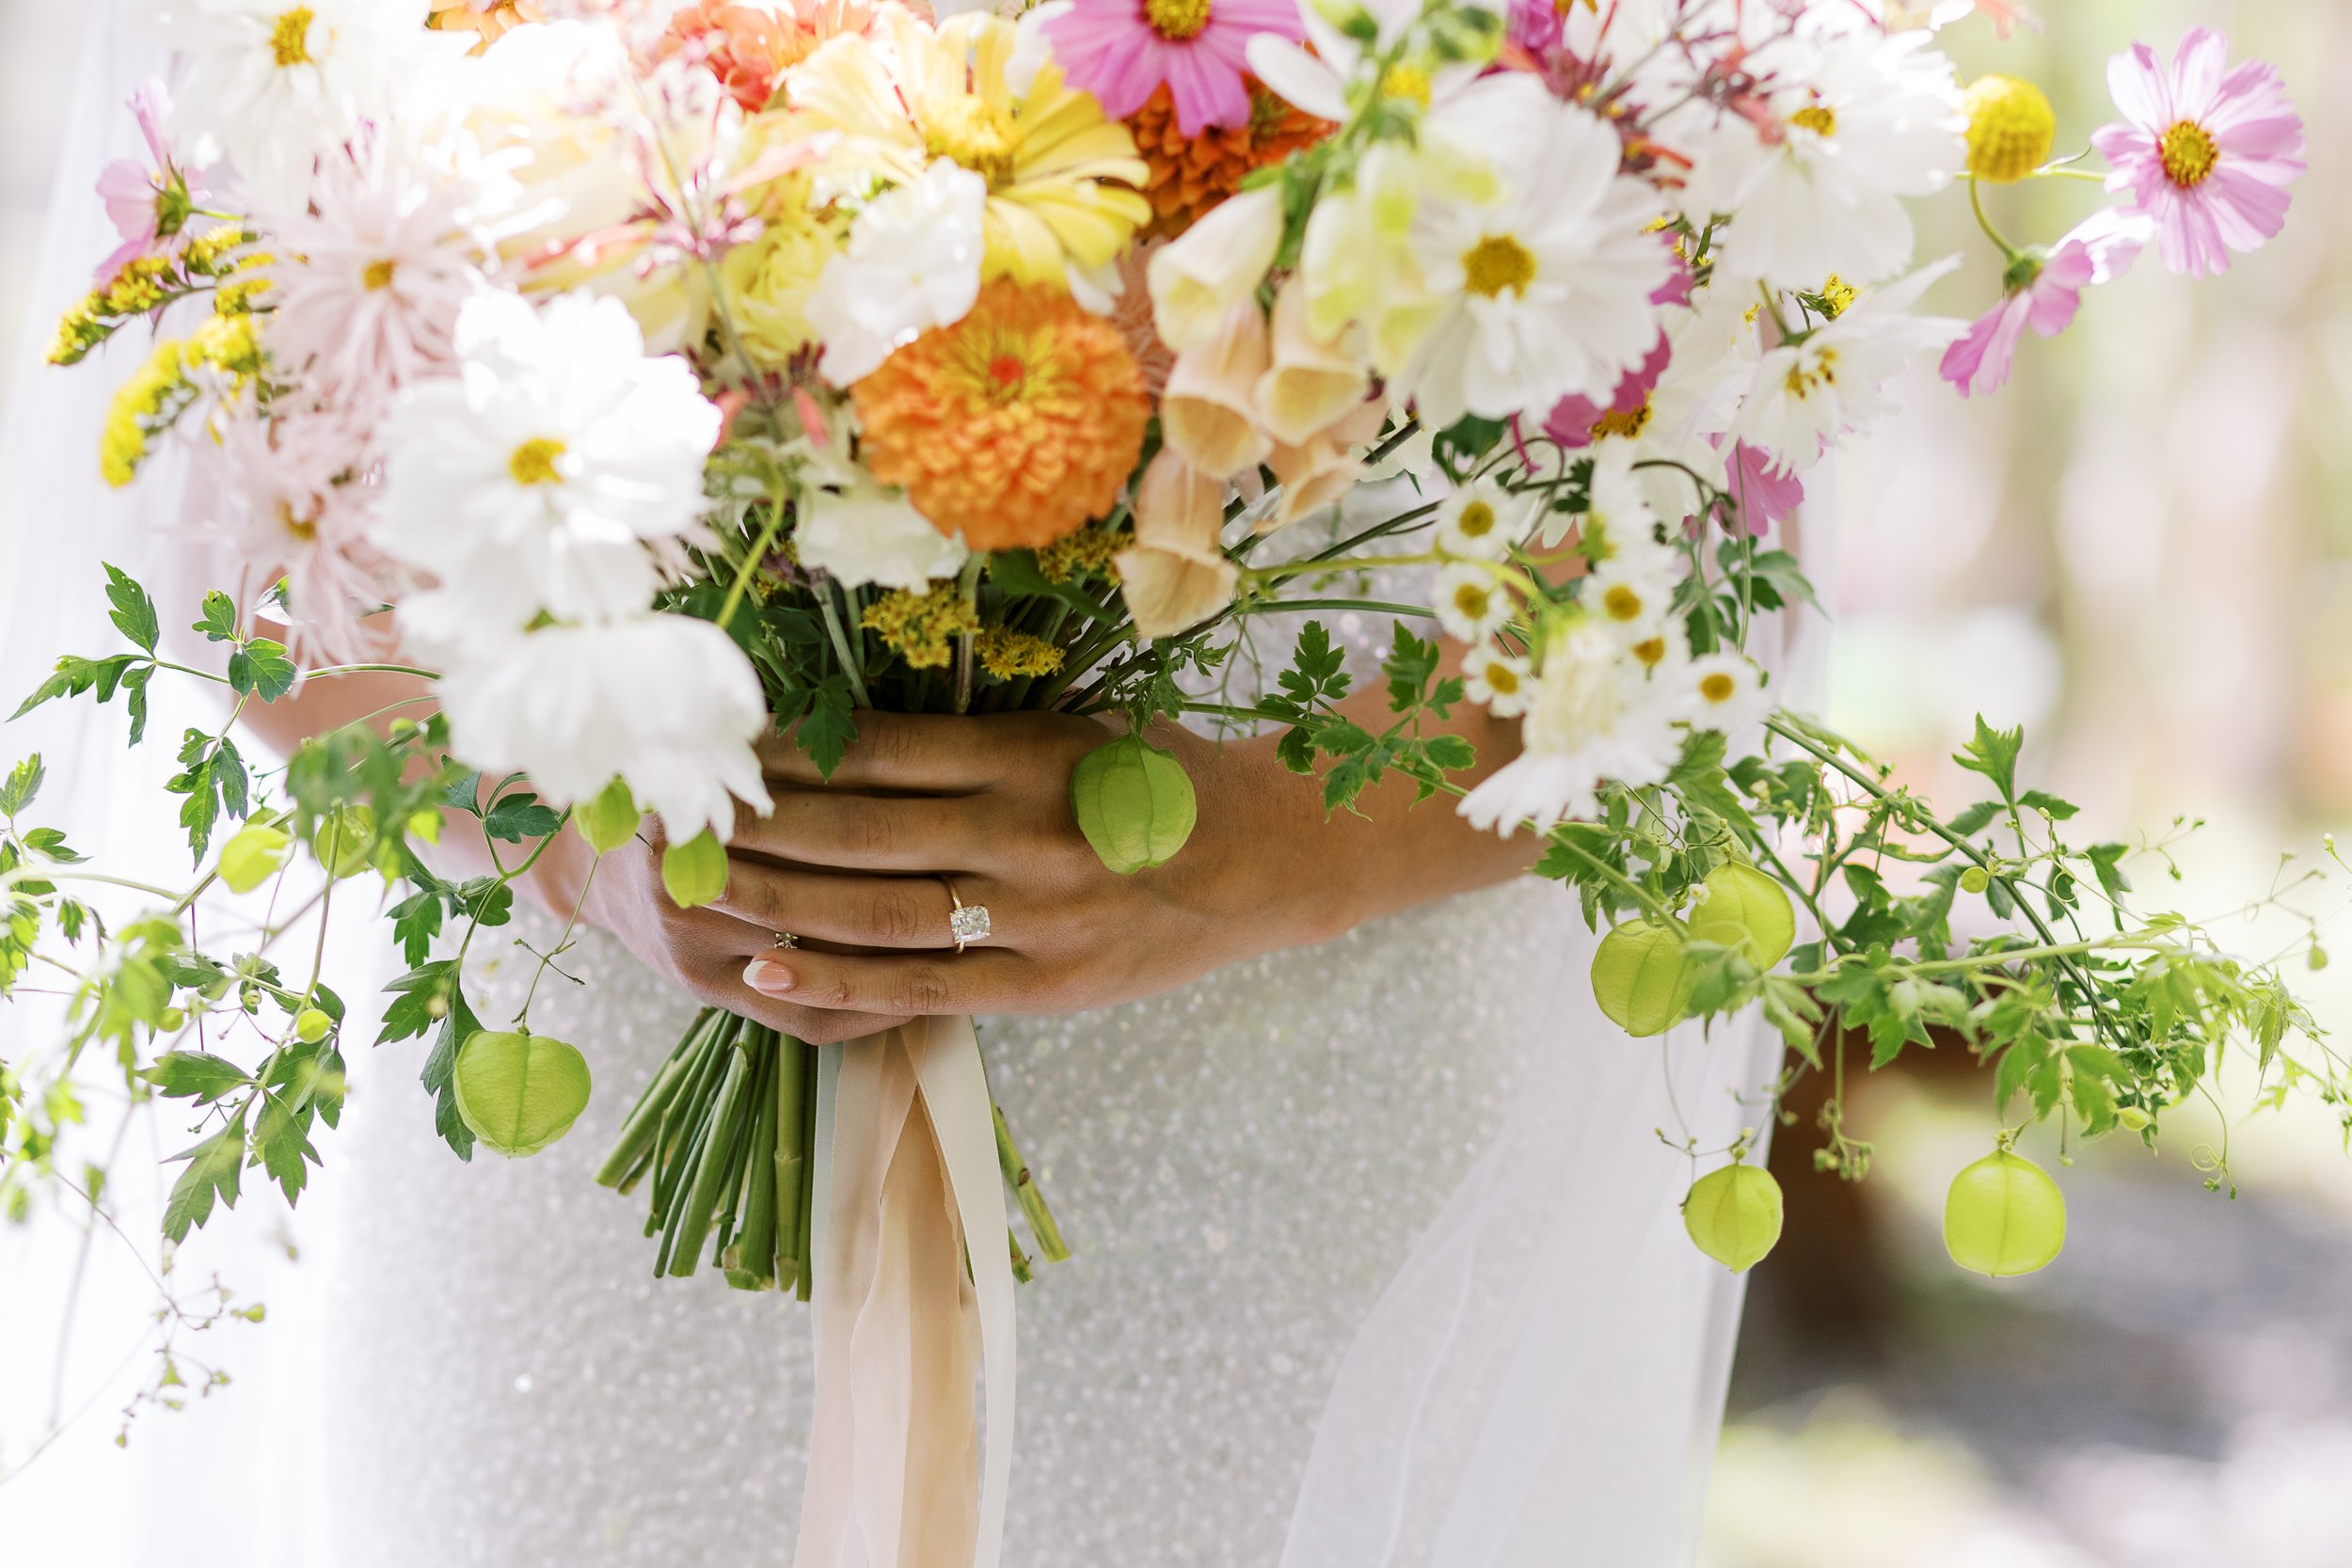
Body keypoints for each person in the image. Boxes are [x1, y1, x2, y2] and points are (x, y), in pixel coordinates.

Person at [1, 9, 1807, 1566]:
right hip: (595, 1191)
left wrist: (1282, 844)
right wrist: (566, 832)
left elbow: (1731, 544)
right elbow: (215, 524)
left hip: (1304, 1148)